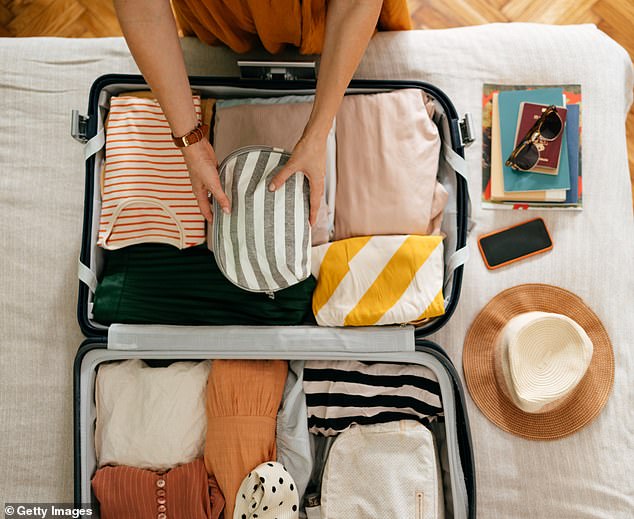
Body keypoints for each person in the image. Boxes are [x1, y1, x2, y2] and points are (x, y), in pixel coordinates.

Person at [113, 0, 411, 224]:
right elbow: (141, 8)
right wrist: (189, 142)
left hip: (331, 17)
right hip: (223, 18)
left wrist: (320, 130)